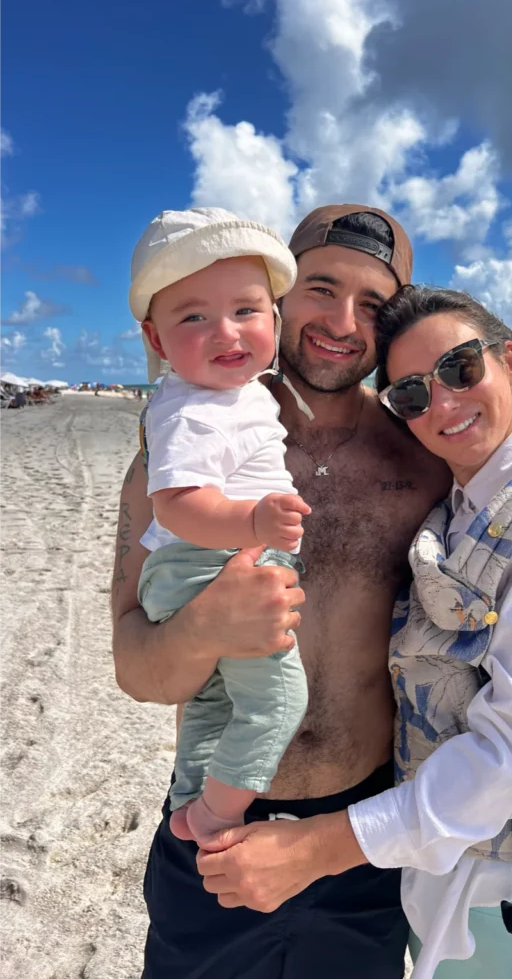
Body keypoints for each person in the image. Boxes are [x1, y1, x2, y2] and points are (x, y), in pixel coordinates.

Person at [215, 286, 512, 979]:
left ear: (508, 361)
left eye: (458, 369)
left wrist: (316, 849)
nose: (442, 403)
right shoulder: (464, 508)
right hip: (459, 886)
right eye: (411, 396)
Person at [111, 205, 452, 978]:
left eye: (373, 304)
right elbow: (134, 667)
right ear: (278, 295)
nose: (342, 321)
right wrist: (204, 628)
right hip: (212, 831)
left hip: (360, 838)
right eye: (320, 289)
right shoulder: (190, 444)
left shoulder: (423, 461)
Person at [128, 208, 313, 846]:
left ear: (274, 317)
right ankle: (216, 816)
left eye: (247, 309)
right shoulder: (187, 409)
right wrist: (252, 519)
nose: (227, 331)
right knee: (277, 702)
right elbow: (176, 504)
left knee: (213, 703)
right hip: (205, 563)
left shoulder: (241, 393)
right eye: (194, 317)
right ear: (157, 341)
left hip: (205, 562)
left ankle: (188, 802)